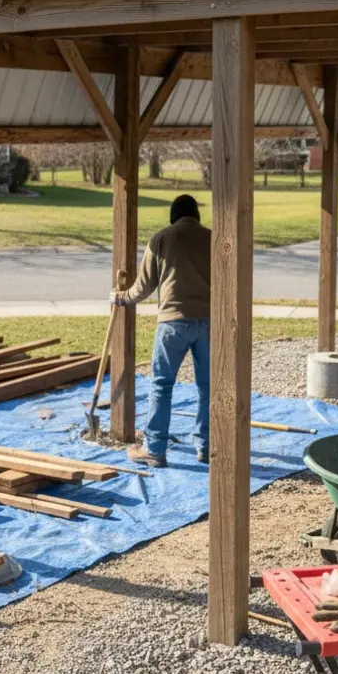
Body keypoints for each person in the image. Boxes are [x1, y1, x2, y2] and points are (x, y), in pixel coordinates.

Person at [110, 194, 211, 469]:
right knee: (207, 387)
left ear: (173, 216)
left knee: (162, 385)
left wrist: (122, 297)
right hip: (208, 323)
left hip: (172, 323)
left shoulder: (161, 239)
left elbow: (143, 287)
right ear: (196, 215)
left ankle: (154, 449)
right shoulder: (212, 238)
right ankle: (206, 446)